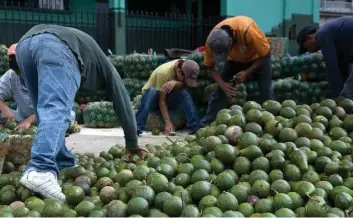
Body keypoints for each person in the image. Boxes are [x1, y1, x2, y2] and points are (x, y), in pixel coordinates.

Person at [15, 24, 145, 201]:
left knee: (44, 111)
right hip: (57, 47)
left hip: (24, 47)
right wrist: (132, 142)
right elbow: (123, 103)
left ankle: (62, 161)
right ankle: (41, 168)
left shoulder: (92, 60)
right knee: (57, 109)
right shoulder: (109, 71)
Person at [200, 16, 275, 126]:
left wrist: (247, 72)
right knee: (219, 91)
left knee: (265, 89)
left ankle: (273, 122)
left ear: (231, 41)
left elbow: (266, 55)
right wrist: (222, 85)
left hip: (257, 58)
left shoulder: (247, 31)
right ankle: (206, 123)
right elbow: (209, 66)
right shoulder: (212, 41)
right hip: (234, 60)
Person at [0, 44, 76, 131]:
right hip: (22, 117)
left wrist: (29, 121)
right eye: (17, 70)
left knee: (63, 115)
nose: (21, 74)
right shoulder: (11, 75)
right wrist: (5, 110)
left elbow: (52, 107)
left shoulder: (45, 75)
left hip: (48, 115)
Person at [136, 59, 201, 135]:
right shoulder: (163, 73)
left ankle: (195, 126)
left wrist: (176, 83)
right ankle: (137, 127)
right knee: (152, 91)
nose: (185, 81)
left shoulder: (186, 65)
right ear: (179, 72)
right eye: (185, 79)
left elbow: (184, 84)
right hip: (154, 99)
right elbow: (161, 100)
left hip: (169, 97)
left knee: (183, 92)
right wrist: (168, 122)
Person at [297, 16, 353, 101]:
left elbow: (331, 66)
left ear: (309, 38)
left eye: (307, 48)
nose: (310, 51)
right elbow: (342, 66)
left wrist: (337, 95)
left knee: (347, 94)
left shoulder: (322, 35)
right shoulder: (334, 36)